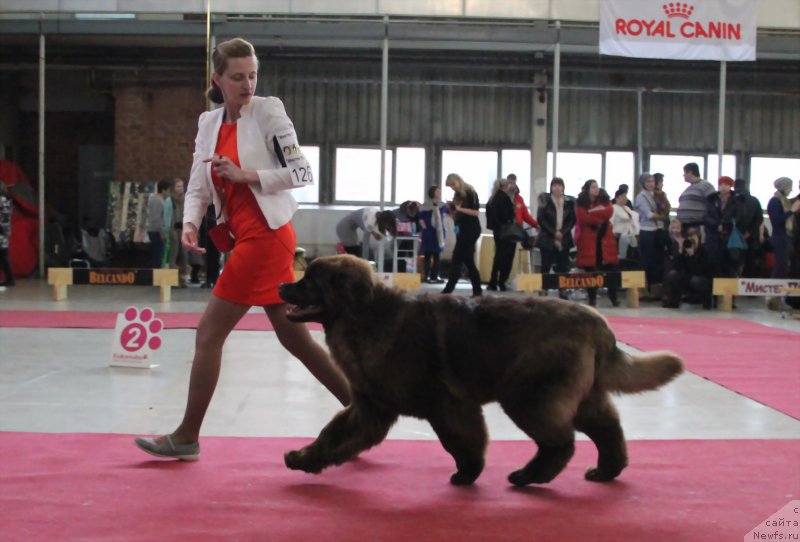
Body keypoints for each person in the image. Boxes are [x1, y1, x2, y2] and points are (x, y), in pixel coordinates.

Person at [134, 37, 350, 460]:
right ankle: (365, 412)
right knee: (297, 340)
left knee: (208, 333)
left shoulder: (269, 111)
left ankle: (186, 437)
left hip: (266, 238)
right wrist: (191, 222)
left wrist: (246, 174)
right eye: (237, 77)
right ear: (218, 79)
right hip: (244, 238)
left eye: (252, 75)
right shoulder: (208, 123)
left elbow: (301, 171)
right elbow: (199, 181)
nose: (247, 83)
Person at [575, 179, 619, 307]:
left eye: (597, 187)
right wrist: (599, 219)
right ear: (587, 189)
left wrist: (593, 216)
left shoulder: (605, 200)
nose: (596, 189)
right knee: (591, 272)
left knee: (611, 271)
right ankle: (592, 298)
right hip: (589, 242)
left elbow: (608, 212)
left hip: (605, 241)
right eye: (593, 187)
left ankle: (613, 298)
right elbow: (583, 218)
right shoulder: (581, 203)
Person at [441, 173, 482, 297]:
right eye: (450, 186)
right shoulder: (457, 194)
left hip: (471, 228)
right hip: (461, 227)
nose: (452, 187)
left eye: (453, 184)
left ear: (459, 180)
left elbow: (475, 212)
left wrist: (459, 210)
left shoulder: (470, 192)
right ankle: (477, 290)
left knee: (457, 258)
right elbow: (457, 214)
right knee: (468, 261)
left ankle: (448, 289)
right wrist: (451, 211)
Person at [535, 177, 576, 293]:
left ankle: (562, 290)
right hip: (547, 237)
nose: (557, 188)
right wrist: (554, 232)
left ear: (563, 187)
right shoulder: (545, 200)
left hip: (564, 237)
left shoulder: (569, 202)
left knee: (563, 266)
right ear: (551, 188)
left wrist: (562, 232)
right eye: (555, 185)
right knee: (545, 265)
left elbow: (572, 220)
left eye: (559, 185)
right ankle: (544, 288)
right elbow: (541, 219)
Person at [662, 227, 713, 309]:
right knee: (672, 274)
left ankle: (706, 301)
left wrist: (692, 256)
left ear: (699, 240)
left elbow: (699, 271)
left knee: (695, 280)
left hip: (701, 280)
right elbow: (676, 267)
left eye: (694, 239)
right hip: (686, 279)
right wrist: (680, 254)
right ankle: (673, 301)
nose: (692, 242)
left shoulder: (703, 252)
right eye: (690, 239)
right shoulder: (684, 251)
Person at [635, 172, 668, 294]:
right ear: (643, 183)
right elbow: (648, 215)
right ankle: (641, 290)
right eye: (648, 182)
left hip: (658, 230)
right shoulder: (641, 197)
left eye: (652, 181)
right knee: (646, 260)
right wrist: (661, 216)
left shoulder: (658, 195)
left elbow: (664, 209)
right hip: (646, 231)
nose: (651, 184)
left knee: (657, 261)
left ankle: (655, 290)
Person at [705, 176, 740, 278]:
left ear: (731, 186)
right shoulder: (711, 199)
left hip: (730, 236)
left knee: (731, 263)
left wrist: (725, 225)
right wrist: (717, 224)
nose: (723, 187)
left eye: (726, 184)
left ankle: (730, 291)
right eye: (721, 184)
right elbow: (706, 216)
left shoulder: (736, 200)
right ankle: (715, 291)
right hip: (714, 236)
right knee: (714, 263)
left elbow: (739, 216)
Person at [767, 177, 800, 278]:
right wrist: (792, 211)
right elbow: (777, 220)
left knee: (784, 265)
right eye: (790, 187)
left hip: (786, 237)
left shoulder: (784, 201)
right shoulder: (775, 201)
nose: (791, 190)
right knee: (781, 265)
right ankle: (774, 288)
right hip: (780, 237)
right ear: (784, 187)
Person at [486, 179, 516, 291]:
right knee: (506, 257)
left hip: (497, 231)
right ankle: (502, 281)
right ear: (506, 186)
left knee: (498, 256)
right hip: (505, 231)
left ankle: (492, 281)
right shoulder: (505, 199)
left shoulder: (492, 198)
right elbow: (507, 215)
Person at [733, 178, 764, 277]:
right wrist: (750, 232)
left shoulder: (732, 199)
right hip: (750, 237)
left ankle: (733, 286)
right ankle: (748, 288)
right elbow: (759, 218)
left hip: (733, 237)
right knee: (749, 262)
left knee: (733, 262)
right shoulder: (754, 200)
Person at [418, 185, 447, 283]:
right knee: (427, 255)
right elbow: (420, 218)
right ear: (433, 193)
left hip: (438, 232)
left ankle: (435, 276)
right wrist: (425, 228)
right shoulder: (425, 205)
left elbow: (445, 215)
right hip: (428, 232)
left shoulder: (443, 204)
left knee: (437, 256)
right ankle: (426, 275)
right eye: (438, 191)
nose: (440, 193)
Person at [676, 162, 715, 234]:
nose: (683, 175)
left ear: (690, 172)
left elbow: (713, 205)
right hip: (684, 226)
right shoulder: (688, 189)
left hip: (697, 226)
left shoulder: (706, 186)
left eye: (684, 173)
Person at [146, 179, 172, 269]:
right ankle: (151, 275)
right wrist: (162, 233)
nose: (169, 193)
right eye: (168, 190)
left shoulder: (153, 199)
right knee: (158, 255)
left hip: (152, 229)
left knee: (156, 254)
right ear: (164, 190)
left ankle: (151, 274)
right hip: (156, 231)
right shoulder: (159, 201)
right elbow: (158, 218)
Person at [610, 186, 640, 265]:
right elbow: (611, 221)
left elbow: (633, 219)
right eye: (622, 196)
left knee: (631, 256)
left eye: (625, 196)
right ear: (617, 198)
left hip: (630, 234)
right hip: (618, 235)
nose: (624, 198)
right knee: (621, 256)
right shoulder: (613, 208)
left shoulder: (627, 208)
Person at [168, 178, 188, 287]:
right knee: (173, 255)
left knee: (184, 256)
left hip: (183, 230)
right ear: (173, 188)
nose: (180, 189)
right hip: (173, 229)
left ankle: (183, 279)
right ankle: (172, 280)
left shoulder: (186, 199)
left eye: (181, 186)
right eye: (178, 186)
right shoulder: (170, 199)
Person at [0, 182, 14, 287]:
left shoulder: (1, 200)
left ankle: (10, 278)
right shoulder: (8, 200)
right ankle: (9, 278)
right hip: (5, 229)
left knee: (3, 255)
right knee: (4, 254)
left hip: (1, 230)